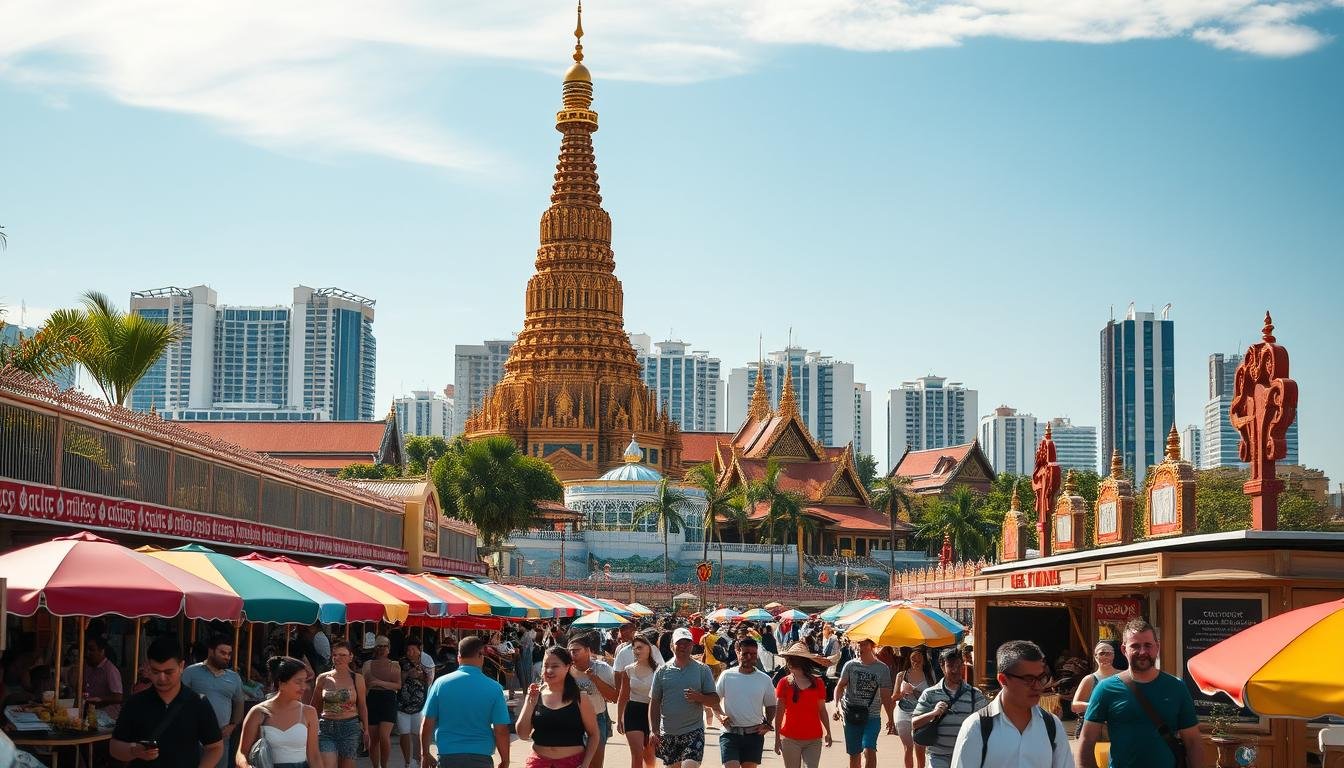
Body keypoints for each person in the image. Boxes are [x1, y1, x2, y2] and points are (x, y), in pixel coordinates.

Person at [1078, 619, 1202, 768]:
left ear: (1157, 647)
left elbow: (1193, 741)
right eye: (1135, 646)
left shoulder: (1176, 687)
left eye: (1148, 645)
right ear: (1124, 650)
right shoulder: (1105, 689)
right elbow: (1086, 742)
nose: (1142, 652)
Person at [948, 640, 1072, 768]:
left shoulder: (1052, 725)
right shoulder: (977, 727)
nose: (1038, 686)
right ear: (1003, 680)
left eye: (1041, 678)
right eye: (1029, 679)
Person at [110, 636, 224, 768]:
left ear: (181, 666)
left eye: (168, 672)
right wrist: (134, 750)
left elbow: (215, 747)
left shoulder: (198, 703)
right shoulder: (135, 703)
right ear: (148, 666)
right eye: (156, 671)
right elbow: (114, 747)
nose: (162, 678)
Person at [421, 635, 511, 768]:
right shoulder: (494, 688)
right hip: (481, 757)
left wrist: (425, 754)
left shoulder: (440, 684)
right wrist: (505, 760)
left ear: (458, 657)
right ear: (481, 655)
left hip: (448, 756)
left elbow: (427, 723)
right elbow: (501, 730)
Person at [516, 646, 600, 768]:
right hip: (538, 763)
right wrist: (530, 702)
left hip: (572, 763)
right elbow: (522, 735)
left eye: (555, 666)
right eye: (545, 666)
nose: (549, 670)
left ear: (567, 667)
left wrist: (586, 764)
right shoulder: (535, 695)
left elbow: (594, 734)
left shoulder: (580, 698)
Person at [648, 627, 719, 768]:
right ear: (671, 646)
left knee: (690, 765)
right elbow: (655, 701)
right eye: (679, 643)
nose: (683, 646)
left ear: (692, 645)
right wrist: (653, 729)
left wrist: (700, 697)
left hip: (693, 730)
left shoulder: (702, 670)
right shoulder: (662, 671)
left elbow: (715, 699)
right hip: (668, 732)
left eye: (687, 643)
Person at [235, 656, 321, 768]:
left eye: (305, 681)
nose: (304, 687)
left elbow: (314, 755)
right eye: (298, 682)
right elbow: (241, 753)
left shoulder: (309, 712)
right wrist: (246, 766)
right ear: (281, 683)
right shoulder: (258, 712)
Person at [911, 647, 988, 768]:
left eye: (958, 666)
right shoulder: (930, 694)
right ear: (942, 666)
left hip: (965, 755)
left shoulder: (975, 695)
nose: (955, 670)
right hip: (938, 757)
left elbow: (987, 723)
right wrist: (933, 713)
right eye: (950, 666)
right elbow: (914, 723)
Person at [712, 637, 778, 768]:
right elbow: (714, 701)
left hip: (754, 735)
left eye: (753, 654)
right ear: (737, 652)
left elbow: (771, 705)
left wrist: (768, 723)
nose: (749, 657)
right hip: (729, 734)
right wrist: (721, 716)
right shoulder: (726, 675)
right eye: (745, 653)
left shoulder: (764, 679)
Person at [183, 634, 245, 768]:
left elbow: (240, 703)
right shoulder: (191, 672)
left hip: (221, 736)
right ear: (211, 651)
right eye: (222, 652)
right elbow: (179, 699)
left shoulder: (234, 677)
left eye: (229, 654)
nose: (227, 657)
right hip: (193, 736)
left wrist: (232, 726)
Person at [831, 637, 894, 768]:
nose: (860, 647)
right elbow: (840, 685)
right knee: (854, 754)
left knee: (869, 749)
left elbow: (886, 696)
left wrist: (891, 717)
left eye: (864, 644)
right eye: (858, 644)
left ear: (872, 646)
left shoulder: (882, 669)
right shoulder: (850, 665)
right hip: (851, 715)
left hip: (872, 716)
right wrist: (836, 706)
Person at [772, 643, 833, 768]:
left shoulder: (818, 683)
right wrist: (777, 737)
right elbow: (779, 712)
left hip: (813, 738)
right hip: (790, 738)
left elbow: (822, 710)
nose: (791, 662)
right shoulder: (784, 683)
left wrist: (828, 731)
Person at [310, 640, 370, 768]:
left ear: (350, 657)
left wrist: (366, 730)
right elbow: (314, 707)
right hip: (326, 727)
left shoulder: (357, 678)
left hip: (350, 727)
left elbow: (362, 705)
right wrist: (310, 728)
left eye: (343, 655)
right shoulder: (323, 678)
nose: (338, 658)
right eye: (335, 655)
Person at [568, 632, 618, 768]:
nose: (573, 654)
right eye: (571, 651)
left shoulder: (602, 669)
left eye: (577, 651)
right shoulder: (566, 670)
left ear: (588, 650)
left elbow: (614, 697)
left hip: (597, 719)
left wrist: (595, 679)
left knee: (595, 763)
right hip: (572, 721)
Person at [615, 634, 659, 768]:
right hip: (633, 711)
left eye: (640, 648)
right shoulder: (629, 670)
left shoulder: (659, 670)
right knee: (637, 753)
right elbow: (623, 696)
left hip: (652, 713)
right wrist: (619, 718)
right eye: (634, 649)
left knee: (650, 755)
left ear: (649, 649)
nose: (637, 651)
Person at [360, 635, 402, 768]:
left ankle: (384, 765)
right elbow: (365, 686)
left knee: (384, 736)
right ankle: (375, 766)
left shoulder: (394, 664)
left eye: (385, 646)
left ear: (389, 649)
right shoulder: (367, 665)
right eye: (379, 646)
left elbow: (397, 685)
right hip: (372, 700)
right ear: (375, 648)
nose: (382, 649)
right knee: (374, 740)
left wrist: (378, 682)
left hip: (388, 700)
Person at [894, 647, 933, 768]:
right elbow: (894, 697)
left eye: (919, 660)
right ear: (909, 659)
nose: (915, 662)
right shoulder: (901, 675)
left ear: (924, 661)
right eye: (913, 659)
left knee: (920, 747)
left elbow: (933, 697)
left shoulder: (929, 675)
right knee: (908, 747)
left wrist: (915, 692)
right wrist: (902, 693)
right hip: (903, 713)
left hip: (921, 714)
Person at [1070, 642, 1119, 737]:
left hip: (1119, 728)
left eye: (1108, 653)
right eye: (1102, 653)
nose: (1105, 657)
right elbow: (1075, 705)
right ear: (1095, 656)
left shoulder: (1122, 676)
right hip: (1096, 730)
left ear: (1113, 655)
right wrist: (1099, 706)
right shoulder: (1090, 679)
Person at [398, 638, 432, 768]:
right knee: (404, 732)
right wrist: (407, 674)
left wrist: (421, 675)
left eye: (413, 649)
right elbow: (398, 681)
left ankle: (418, 759)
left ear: (420, 650)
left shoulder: (426, 663)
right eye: (408, 650)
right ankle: (407, 761)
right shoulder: (401, 663)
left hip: (420, 704)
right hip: (403, 704)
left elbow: (430, 680)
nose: (410, 652)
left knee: (418, 733)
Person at [80, 635, 125, 718]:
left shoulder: (110, 670)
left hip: (107, 716)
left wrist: (100, 699)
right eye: (87, 649)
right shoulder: (88, 667)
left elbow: (118, 697)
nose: (88, 653)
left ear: (101, 651)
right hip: (91, 712)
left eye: (92, 650)